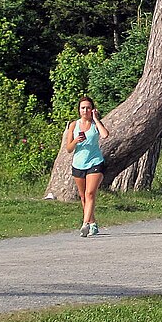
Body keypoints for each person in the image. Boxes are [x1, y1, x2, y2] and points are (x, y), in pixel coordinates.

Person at [66, 96, 110, 237]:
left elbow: (105, 135)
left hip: (95, 162)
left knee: (90, 193)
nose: (85, 110)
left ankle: (84, 225)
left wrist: (96, 119)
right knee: (83, 196)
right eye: (83, 108)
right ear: (79, 110)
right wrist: (76, 140)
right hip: (78, 163)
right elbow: (68, 148)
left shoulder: (95, 124)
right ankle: (93, 224)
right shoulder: (74, 125)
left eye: (88, 107)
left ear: (92, 109)